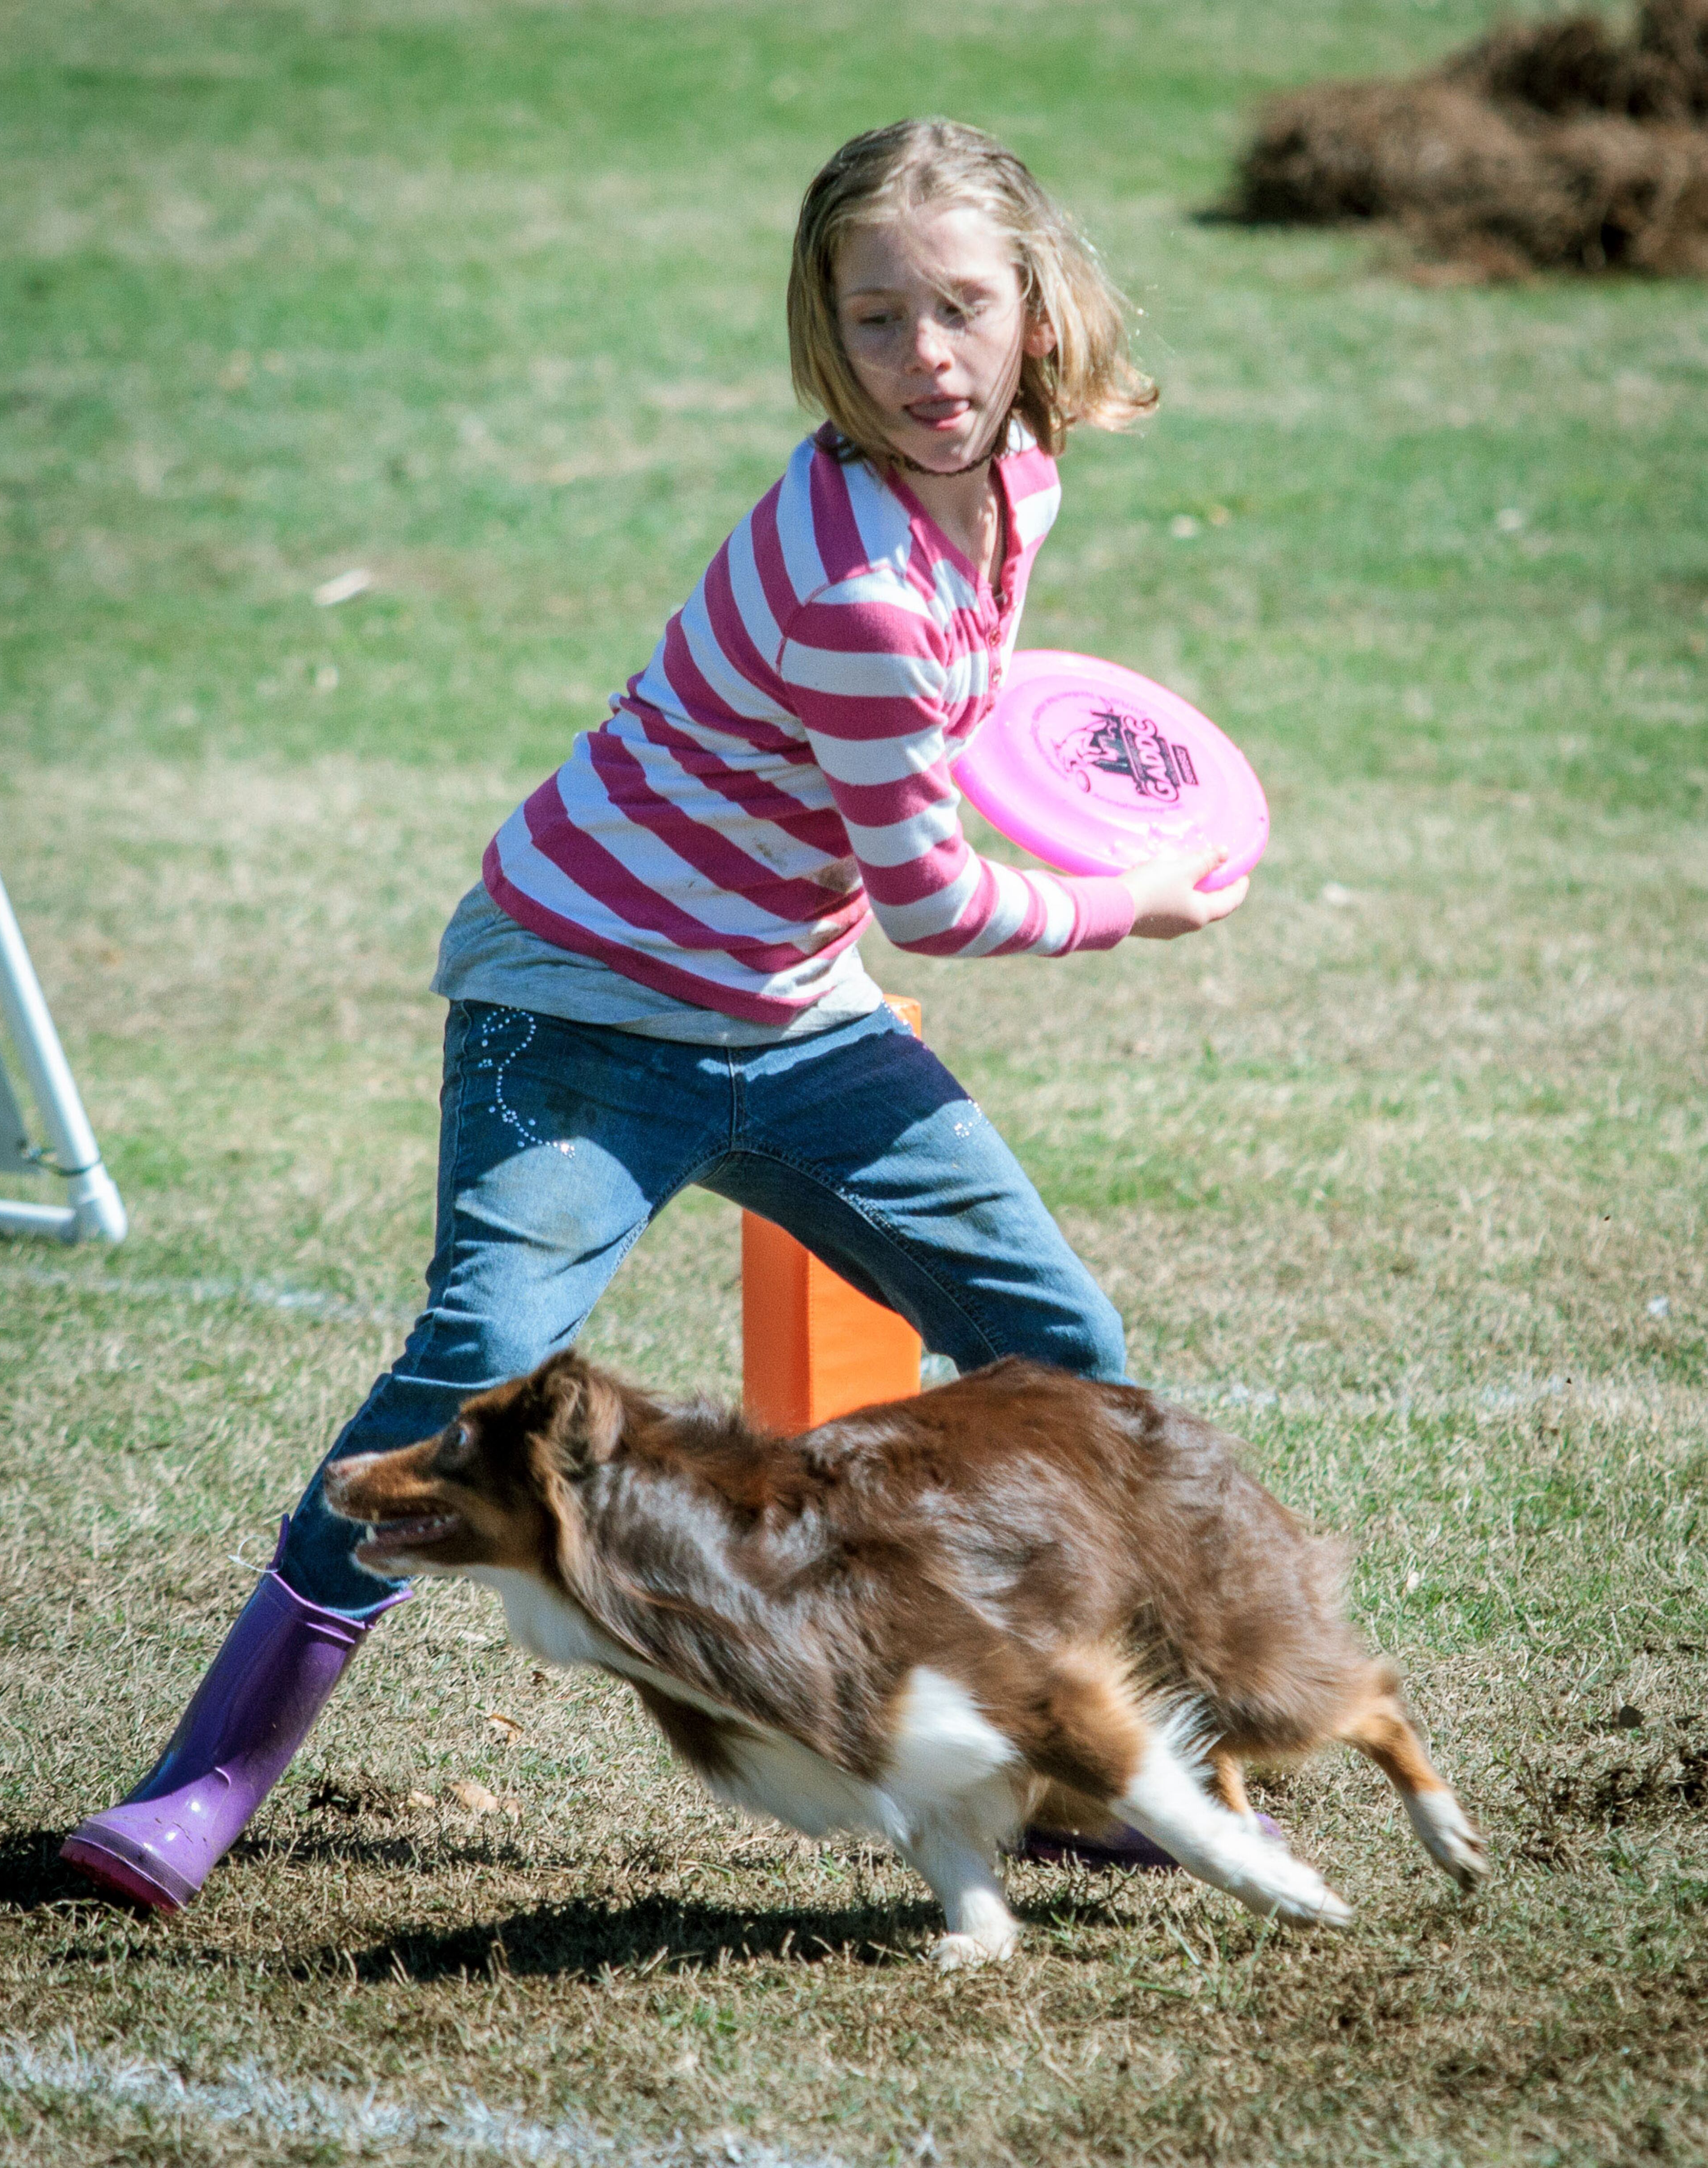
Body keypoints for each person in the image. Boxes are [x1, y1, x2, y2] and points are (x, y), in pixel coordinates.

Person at [64, 118, 1249, 1912]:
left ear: (1037, 309)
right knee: (466, 1378)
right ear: (819, 332)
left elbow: (924, 778)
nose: (922, 359)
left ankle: (1063, 1755)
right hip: (588, 1011)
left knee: (1064, 1349)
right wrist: (1123, 899)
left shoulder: (1017, 475)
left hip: (791, 1002)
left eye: (959, 310)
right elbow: (933, 893)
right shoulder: (857, 580)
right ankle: (204, 1778)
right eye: (873, 321)